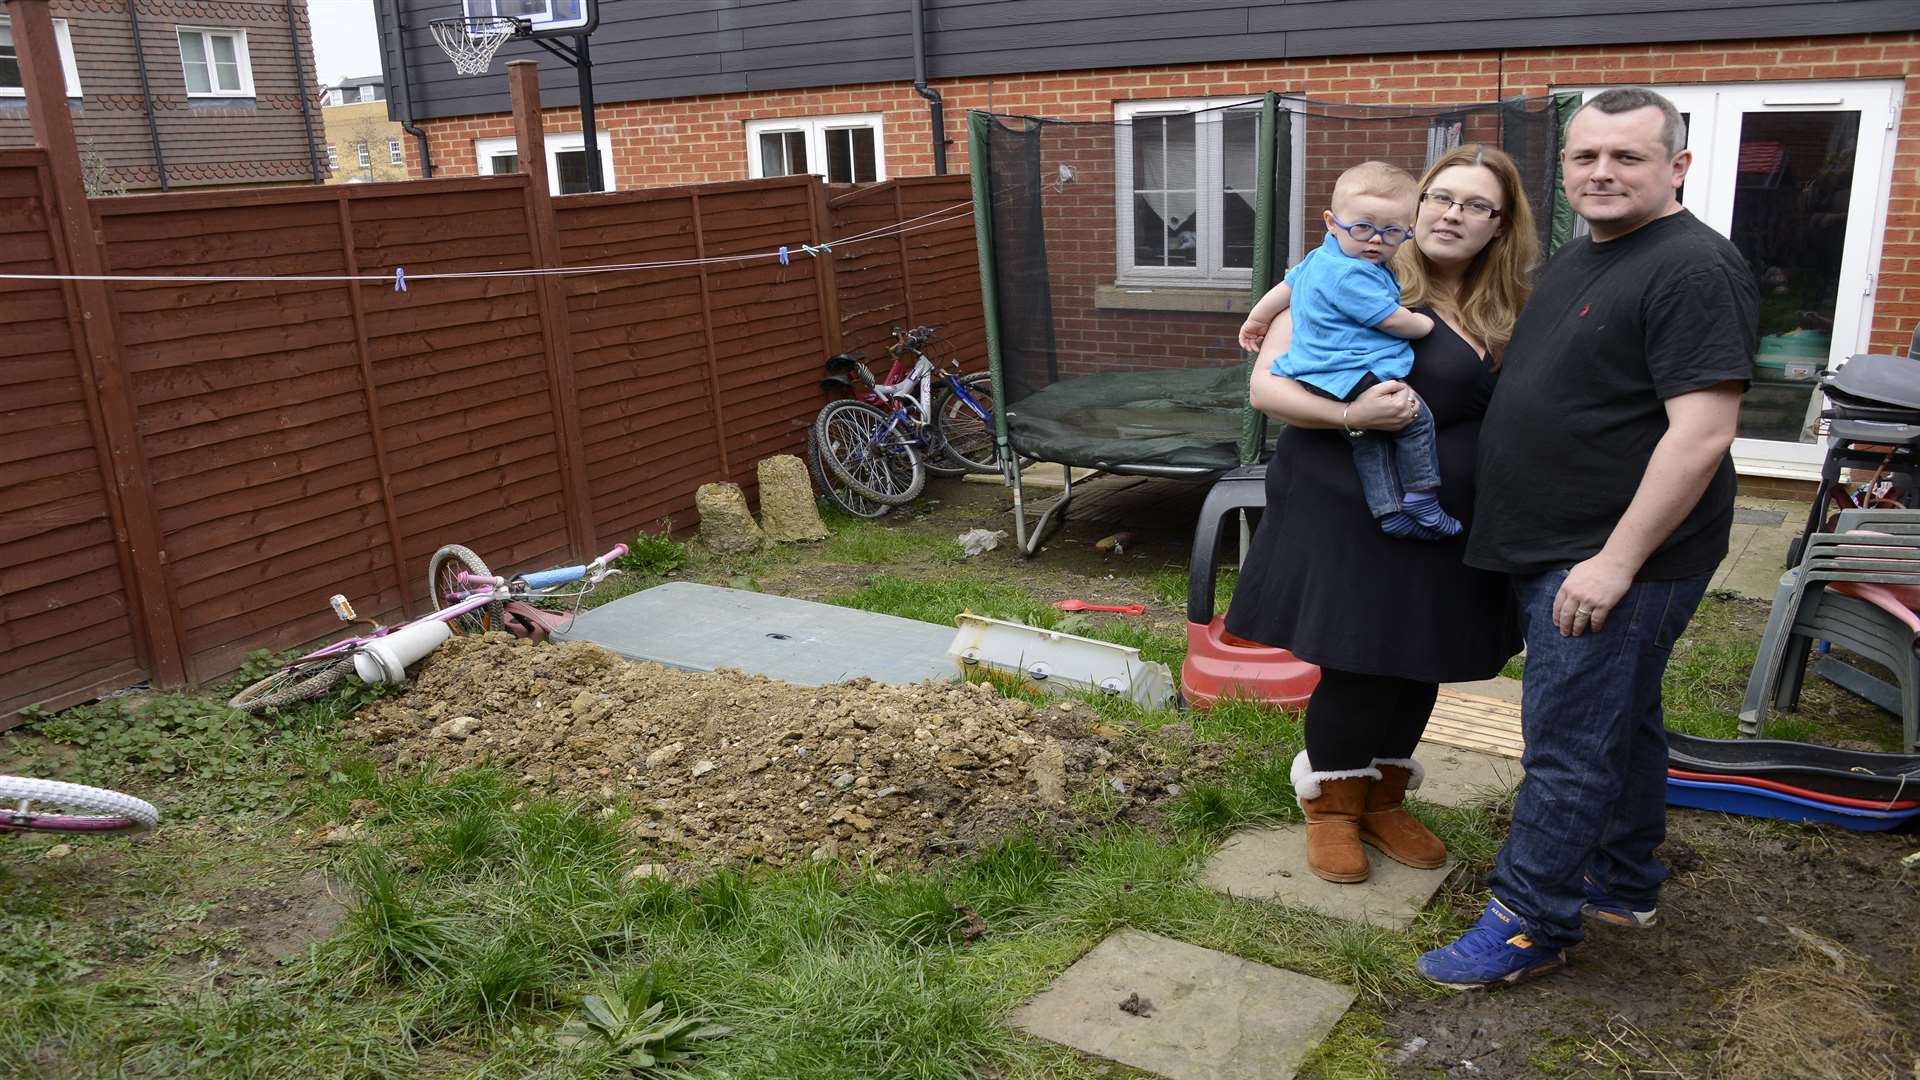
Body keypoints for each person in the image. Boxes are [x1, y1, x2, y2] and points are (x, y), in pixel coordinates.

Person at [1417, 88, 1758, 988]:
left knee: (1566, 739)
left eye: (1628, 157)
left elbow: (1702, 433)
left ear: (1676, 166)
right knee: (1623, 718)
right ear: (1564, 168)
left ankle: (1532, 919)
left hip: (1614, 558)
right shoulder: (1586, 256)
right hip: (1561, 542)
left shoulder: (1693, 269)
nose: (1603, 173)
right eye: (1585, 157)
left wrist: (1613, 562)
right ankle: (1623, 877)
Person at [1225, 145, 1538, 884]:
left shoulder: (1503, 304)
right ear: (1418, 205)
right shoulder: (1358, 269)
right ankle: (1333, 806)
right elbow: (1266, 389)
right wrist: (1354, 412)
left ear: (1500, 225)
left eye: (1476, 205)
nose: (1452, 215)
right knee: (1362, 659)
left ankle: (1384, 798)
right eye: (1442, 197)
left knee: (1419, 656)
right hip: (1349, 504)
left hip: (1446, 516)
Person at [1240, 162, 1459, 540]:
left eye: (1391, 232)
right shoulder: (1351, 274)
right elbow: (1391, 319)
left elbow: (1285, 288)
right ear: (1331, 221)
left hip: (1318, 373)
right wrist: (1425, 324)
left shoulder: (1320, 258)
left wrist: (1256, 318)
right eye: (1362, 228)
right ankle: (1422, 493)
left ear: (1408, 230)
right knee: (1415, 419)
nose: (1375, 240)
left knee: (1369, 441)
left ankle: (1388, 509)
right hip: (1349, 371)